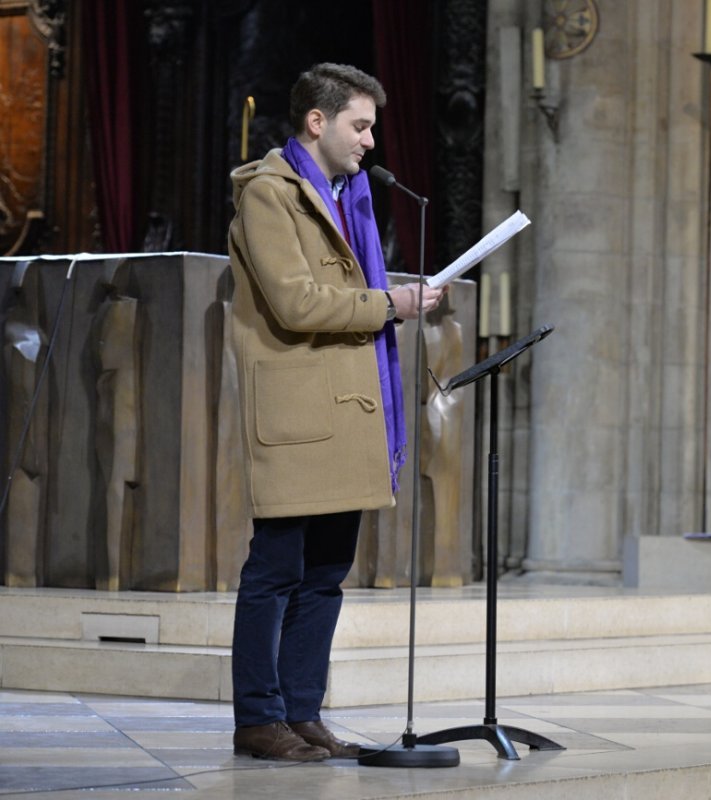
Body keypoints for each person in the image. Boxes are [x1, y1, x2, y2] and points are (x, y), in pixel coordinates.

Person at [226, 63, 444, 761]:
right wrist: (391, 304)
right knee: (276, 570)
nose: (372, 141)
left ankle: (301, 710)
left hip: (348, 412)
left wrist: (392, 300)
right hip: (297, 414)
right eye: (360, 124)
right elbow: (295, 302)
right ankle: (259, 717)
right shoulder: (270, 195)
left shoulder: (349, 197)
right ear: (315, 122)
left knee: (324, 574)